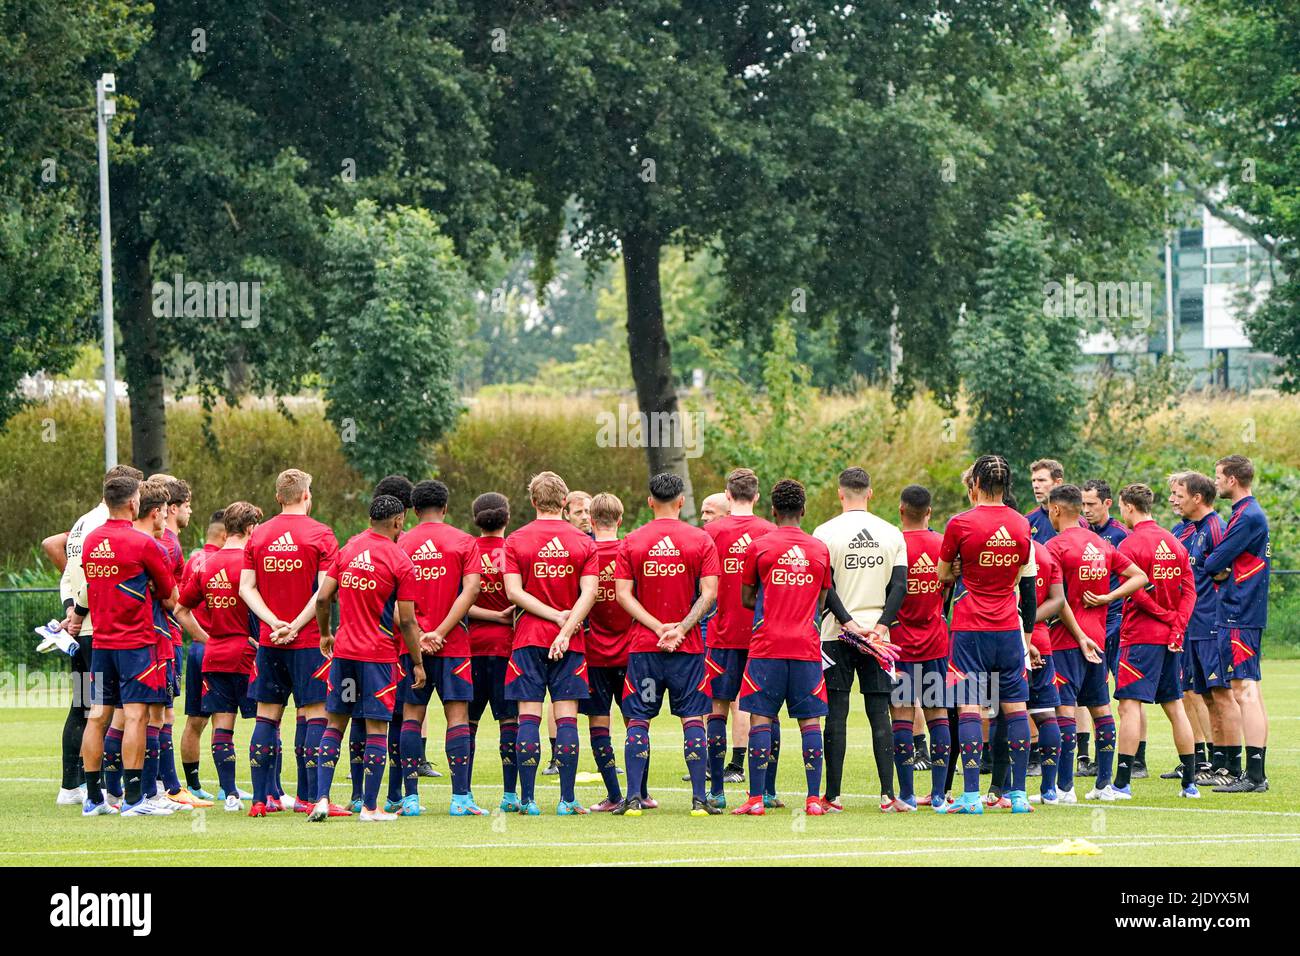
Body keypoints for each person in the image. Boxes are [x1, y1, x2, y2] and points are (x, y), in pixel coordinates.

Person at [308, 495, 425, 822]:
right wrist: (416, 662)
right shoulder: (400, 561)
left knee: (336, 723)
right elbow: (406, 621)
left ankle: (321, 799)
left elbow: (322, 598)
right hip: (377, 658)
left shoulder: (349, 549)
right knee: (376, 730)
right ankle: (370, 808)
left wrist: (325, 634)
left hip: (344, 653)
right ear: (399, 522)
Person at [613, 472, 721, 816]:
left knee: (638, 721)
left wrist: (657, 627)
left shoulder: (631, 540)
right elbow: (710, 594)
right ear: (681, 502)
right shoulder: (700, 540)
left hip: (645, 647)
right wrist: (681, 628)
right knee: (692, 719)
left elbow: (622, 594)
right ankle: (699, 801)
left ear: (649, 502)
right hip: (686, 650)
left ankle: (632, 800)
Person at [936, 455, 1038, 815]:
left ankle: (969, 797)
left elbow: (943, 575)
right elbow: (1025, 582)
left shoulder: (960, 523)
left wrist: (961, 567)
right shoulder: (1022, 524)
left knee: (969, 706)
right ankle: (1019, 795)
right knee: (1015, 708)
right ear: (1007, 486)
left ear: (975, 484)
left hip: (969, 626)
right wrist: (1028, 634)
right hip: (1009, 626)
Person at [72, 473, 177, 816]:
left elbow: (89, 585)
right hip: (136, 644)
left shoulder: (91, 541)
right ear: (134, 503)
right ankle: (134, 798)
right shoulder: (143, 544)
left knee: (97, 715)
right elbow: (167, 593)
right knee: (135, 716)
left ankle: (92, 798)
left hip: (100, 642)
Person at [239, 468, 340, 816]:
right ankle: (310, 798)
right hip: (309, 640)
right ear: (306, 496)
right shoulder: (322, 535)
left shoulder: (259, 536)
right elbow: (324, 595)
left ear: (279, 498)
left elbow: (245, 588)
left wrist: (273, 623)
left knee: (267, 717)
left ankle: (258, 800)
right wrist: (295, 625)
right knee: (315, 715)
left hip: (270, 642)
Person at [732, 479, 834, 817]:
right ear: (803, 510)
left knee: (761, 717)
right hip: (806, 646)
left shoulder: (759, 547)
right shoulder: (819, 549)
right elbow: (821, 602)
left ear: (773, 511)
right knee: (809, 723)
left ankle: (756, 799)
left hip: (767, 646)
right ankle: (813, 799)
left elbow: (747, 597)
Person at [502, 471, 600, 815]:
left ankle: (528, 800)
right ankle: (566, 799)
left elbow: (514, 592)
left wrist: (553, 618)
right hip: (571, 641)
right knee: (567, 717)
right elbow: (590, 593)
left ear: (532, 502)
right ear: (564, 502)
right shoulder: (584, 542)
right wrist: (566, 625)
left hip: (528, 637)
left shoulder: (515, 540)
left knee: (528, 715)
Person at [48, 464, 144, 806]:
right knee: (112, 710)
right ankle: (106, 787)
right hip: (100, 630)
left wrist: (71, 610)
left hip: (80, 629)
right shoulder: (105, 526)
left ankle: (71, 787)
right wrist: (80, 612)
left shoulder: (79, 525)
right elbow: (94, 577)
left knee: (82, 706)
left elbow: (68, 572)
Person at [813, 467, 907, 812]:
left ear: (841, 494)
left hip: (835, 633)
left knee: (836, 712)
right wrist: (881, 626)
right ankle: (887, 795)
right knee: (880, 712)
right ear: (870, 493)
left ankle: (833, 797)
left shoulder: (824, 532)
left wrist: (848, 622)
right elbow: (900, 586)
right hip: (879, 636)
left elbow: (825, 587)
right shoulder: (891, 532)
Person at [1045, 484, 1147, 802]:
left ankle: (1064, 789)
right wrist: (1109, 596)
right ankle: (1104, 786)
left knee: (1064, 710)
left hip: (1066, 641)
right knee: (1100, 709)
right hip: (1099, 639)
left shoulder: (1055, 547)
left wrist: (1079, 636)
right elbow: (1140, 576)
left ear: (1057, 510)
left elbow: (1058, 602)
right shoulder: (1100, 545)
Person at [395, 480, 482, 816]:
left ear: (414, 511)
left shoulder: (401, 542)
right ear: (445, 508)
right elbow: (471, 590)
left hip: (410, 645)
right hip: (454, 643)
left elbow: (394, 601)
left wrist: (418, 634)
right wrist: (442, 631)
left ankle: (412, 798)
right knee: (457, 716)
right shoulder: (463, 541)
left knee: (412, 716)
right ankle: (460, 798)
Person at [1107, 484, 1200, 800]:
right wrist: (1178, 624)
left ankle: (1121, 784)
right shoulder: (1175, 542)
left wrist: (1163, 616)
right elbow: (1190, 592)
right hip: (1171, 638)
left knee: (1129, 706)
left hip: (1140, 637)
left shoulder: (1130, 544)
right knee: (1175, 707)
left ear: (1129, 507)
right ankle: (1189, 784)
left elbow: (1135, 591)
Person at [175, 502, 263, 812]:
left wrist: (205, 638)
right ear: (251, 529)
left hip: (215, 654)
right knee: (267, 723)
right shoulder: (252, 565)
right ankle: (268, 792)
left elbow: (180, 610)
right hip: (247, 654)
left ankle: (230, 795)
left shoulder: (206, 565)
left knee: (222, 725)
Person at [700, 468, 775, 808]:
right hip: (763, 638)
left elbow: (702, 590)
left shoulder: (710, 533)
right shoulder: (771, 532)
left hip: (722, 634)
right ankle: (767, 791)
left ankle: (716, 791)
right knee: (765, 712)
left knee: (717, 710)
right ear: (756, 497)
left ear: (727, 497)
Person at [1201, 455, 1271, 793]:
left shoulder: (1247, 517)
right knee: (1248, 690)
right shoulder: (1243, 514)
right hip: (1239, 610)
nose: (1215, 482)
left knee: (1244, 690)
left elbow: (1213, 560)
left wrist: (1218, 567)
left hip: (1240, 611)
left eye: (1218, 476)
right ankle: (1256, 772)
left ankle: (1255, 775)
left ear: (1232, 480)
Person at [1167, 472, 1239, 785]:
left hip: (1212, 624)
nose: (1173, 500)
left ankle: (1232, 765)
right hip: (1190, 625)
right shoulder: (1186, 530)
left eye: (1178, 495)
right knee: (1205, 696)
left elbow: (1225, 573)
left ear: (1197, 498)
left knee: (1222, 693)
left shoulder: (1215, 528)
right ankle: (1214, 762)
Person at [891, 485, 953, 810]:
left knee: (901, 714)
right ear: (928, 512)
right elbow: (948, 591)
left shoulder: (893, 544)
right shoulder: (942, 544)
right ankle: (939, 794)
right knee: (937, 713)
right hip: (936, 641)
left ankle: (906, 795)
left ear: (901, 510)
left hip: (899, 644)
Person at [1082, 478, 1145, 775]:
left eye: (1092, 504)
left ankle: (1137, 760)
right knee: (1096, 692)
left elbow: (1137, 577)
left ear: (1108, 503)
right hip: (1090, 623)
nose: (1087, 510)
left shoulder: (1120, 535)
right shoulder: (1082, 532)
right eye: (1083, 504)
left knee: (1128, 692)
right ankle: (1100, 756)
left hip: (1117, 619)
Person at [466, 492, 521, 810]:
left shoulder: (467, 550)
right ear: (508, 517)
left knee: (466, 724)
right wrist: (503, 615)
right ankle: (510, 795)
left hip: (470, 649)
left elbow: (458, 601)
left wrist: (485, 614)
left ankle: (464, 793)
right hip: (508, 648)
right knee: (509, 721)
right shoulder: (516, 550)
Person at [582, 493, 636, 811]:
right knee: (636, 724)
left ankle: (615, 795)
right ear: (620, 519)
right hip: (633, 653)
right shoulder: (631, 551)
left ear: (590, 520)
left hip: (593, 654)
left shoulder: (583, 553)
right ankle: (638, 792)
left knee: (598, 723)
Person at [177, 511, 226, 802]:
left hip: (196, 648)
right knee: (223, 717)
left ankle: (193, 784)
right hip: (218, 647)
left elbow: (181, 603)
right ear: (224, 535)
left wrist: (197, 636)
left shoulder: (193, 560)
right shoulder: (226, 562)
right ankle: (227, 787)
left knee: (195, 720)